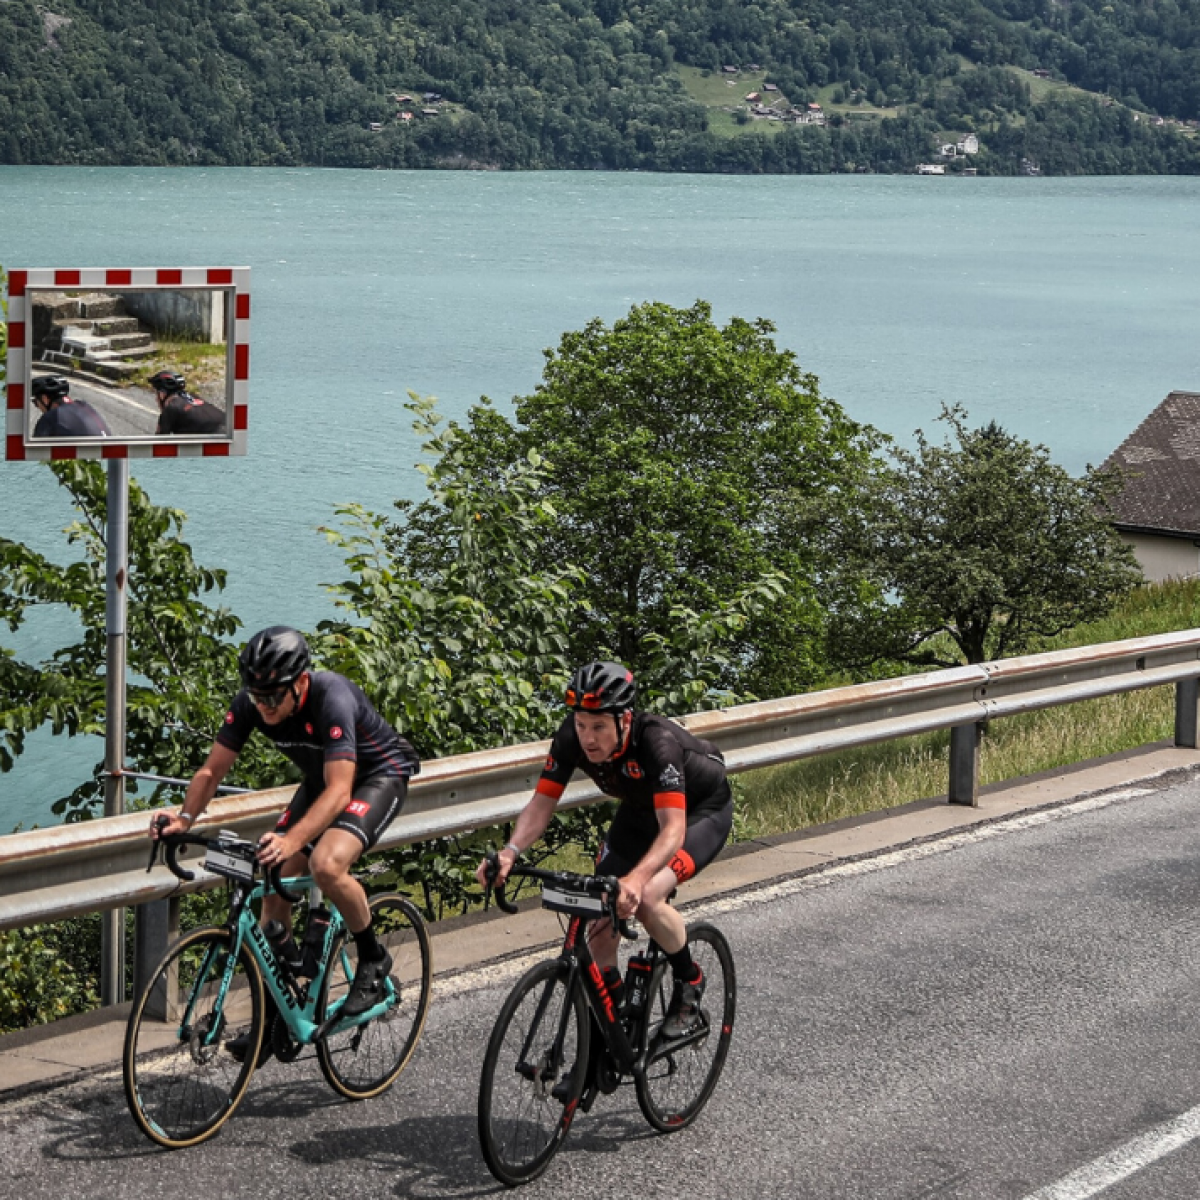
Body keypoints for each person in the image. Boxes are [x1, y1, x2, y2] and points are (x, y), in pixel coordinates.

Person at [151, 626, 420, 1061]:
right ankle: (278, 1011)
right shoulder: (253, 702)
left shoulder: (331, 696)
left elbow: (340, 791)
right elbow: (211, 772)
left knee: (327, 865)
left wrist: (293, 839)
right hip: (323, 781)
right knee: (273, 888)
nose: (265, 707)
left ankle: (373, 960)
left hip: (376, 777)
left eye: (274, 697)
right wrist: (184, 819)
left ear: (300, 683)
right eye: (257, 697)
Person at [476, 661, 733, 1040]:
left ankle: (688, 982)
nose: (588, 738)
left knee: (645, 897)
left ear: (625, 721)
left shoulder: (656, 743)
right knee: (599, 904)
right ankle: (616, 1011)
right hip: (640, 811)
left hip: (698, 814)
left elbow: (673, 830)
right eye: (581, 724)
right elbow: (541, 806)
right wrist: (511, 851)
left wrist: (636, 878)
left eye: (598, 726)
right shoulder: (570, 739)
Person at [31, 375, 111, 438]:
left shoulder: (51, 417)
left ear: (44, 399)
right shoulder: (85, 406)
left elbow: (35, 453)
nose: (37, 407)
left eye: (35, 402)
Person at [148, 370, 225, 435]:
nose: (156, 399)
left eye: (156, 394)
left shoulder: (171, 408)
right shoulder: (193, 396)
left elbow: (159, 444)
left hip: (216, 439)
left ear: (162, 394)